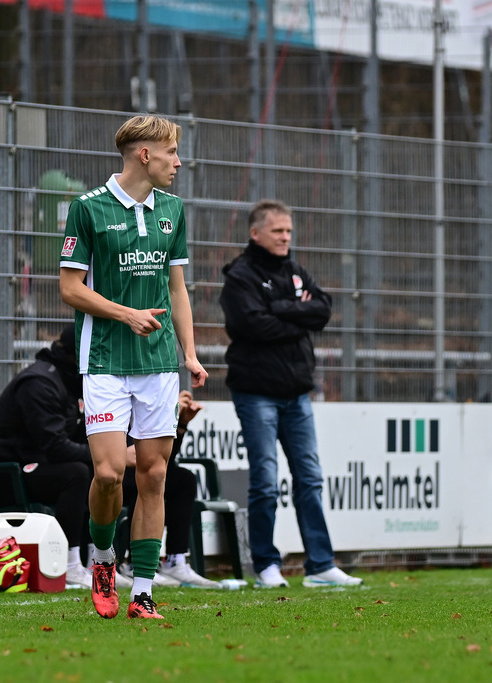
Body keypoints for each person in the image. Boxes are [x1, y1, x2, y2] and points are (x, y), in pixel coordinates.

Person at [59, 114, 208, 620]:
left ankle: (142, 591)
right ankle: (103, 560)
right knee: (106, 473)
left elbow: (176, 288)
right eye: (171, 153)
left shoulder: (173, 209)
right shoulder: (87, 209)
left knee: (154, 474)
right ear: (145, 155)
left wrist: (188, 353)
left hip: (159, 364)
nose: (178, 162)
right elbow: (70, 289)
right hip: (104, 359)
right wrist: (126, 315)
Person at [219, 199, 361, 589]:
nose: (285, 238)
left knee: (310, 478)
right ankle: (266, 564)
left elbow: (323, 310)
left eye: (289, 232)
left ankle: (320, 565)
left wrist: (280, 310)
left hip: (297, 394)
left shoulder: (296, 271)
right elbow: (252, 325)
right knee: (265, 480)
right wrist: (296, 316)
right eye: (278, 231)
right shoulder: (240, 277)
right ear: (256, 233)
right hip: (256, 394)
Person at [0, 325, 133, 590]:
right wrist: (113, 457)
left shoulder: (73, 381)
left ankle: (102, 562)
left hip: (32, 463)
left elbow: (82, 437)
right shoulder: (40, 383)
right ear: (78, 355)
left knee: (108, 474)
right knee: (80, 473)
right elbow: (55, 447)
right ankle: (69, 565)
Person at [120, 390, 222, 589]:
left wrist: (180, 423)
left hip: (136, 469)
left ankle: (175, 560)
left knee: (182, 479)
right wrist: (120, 455)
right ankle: (134, 563)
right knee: (143, 481)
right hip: (107, 470)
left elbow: (164, 458)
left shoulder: (153, 389)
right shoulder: (115, 388)